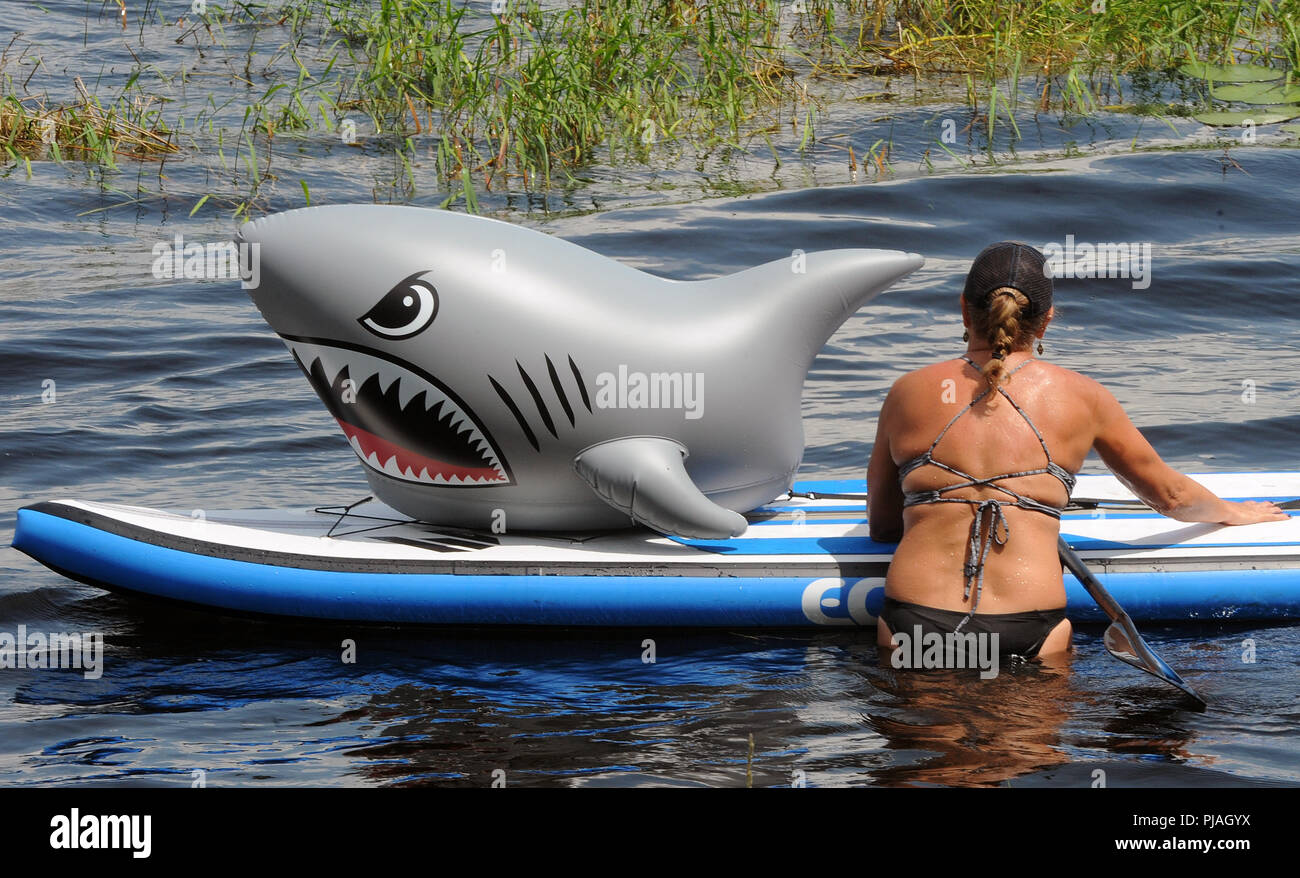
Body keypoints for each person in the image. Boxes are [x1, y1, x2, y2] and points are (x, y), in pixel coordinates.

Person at [867, 241, 1287, 660]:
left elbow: (883, 526)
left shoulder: (908, 392)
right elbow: (1172, 497)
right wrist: (1233, 512)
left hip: (915, 622)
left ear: (964, 310)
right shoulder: (1084, 397)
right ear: (1046, 320)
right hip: (1030, 627)